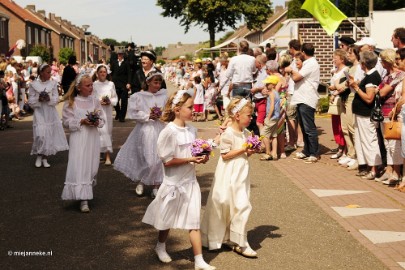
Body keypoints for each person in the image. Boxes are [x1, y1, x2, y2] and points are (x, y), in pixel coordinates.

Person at [142, 90, 215, 270]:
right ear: (177, 109)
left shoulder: (192, 130)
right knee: (166, 220)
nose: (193, 110)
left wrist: (202, 156)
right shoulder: (169, 132)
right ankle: (160, 245)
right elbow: (167, 162)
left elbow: (194, 152)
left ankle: (199, 260)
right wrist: (190, 159)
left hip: (190, 182)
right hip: (173, 183)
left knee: (194, 222)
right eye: (189, 107)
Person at [201, 97, 258, 258]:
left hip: (241, 173)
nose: (251, 118)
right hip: (228, 172)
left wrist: (250, 151)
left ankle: (241, 241)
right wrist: (243, 149)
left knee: (242, 204)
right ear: (238, 115)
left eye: (252, 115)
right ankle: (218, 237)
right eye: (249, 115)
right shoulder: (228, 133)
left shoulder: (246, 133)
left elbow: (244, 153)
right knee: (224, 203)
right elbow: (225, 155)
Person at [114, 71, 168, 198]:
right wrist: (147, 116)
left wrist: (162, 115)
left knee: (158, 157)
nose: (158, 85)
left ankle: (155, 184)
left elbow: (168, 111)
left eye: (160, 82)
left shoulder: (163, 96)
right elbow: (133, 113)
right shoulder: (139, 96)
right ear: (148, 82)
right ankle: (142, 180)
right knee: (144, 156)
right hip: (145, 129)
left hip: (160, 128)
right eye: (155, 82)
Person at [61, 74, 104, 213]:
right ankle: (83, 199)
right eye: (88, 85)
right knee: (79, 164)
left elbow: (102, 119)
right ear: (79, 88)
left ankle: (86, 192)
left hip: (92, 137)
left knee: (91, 165)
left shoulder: (95, 101)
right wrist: (81, 121)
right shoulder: (71, 102)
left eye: (92, 84)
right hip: (79, 137)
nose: (91, 87)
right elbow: (66, 122)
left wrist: (98, 122)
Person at [348, 51, 382, 180]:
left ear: (363, 63)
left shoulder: (372, 76)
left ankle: (374, 168)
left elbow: (369, 98)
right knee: (361, 140)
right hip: (360, 113)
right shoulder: (367, 75)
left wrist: (356, 87)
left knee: (369, 140)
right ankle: (366, 166)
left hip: (366, 114)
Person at [284, 43, 320, 163]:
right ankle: (307, 150)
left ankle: (314, 152)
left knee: (309, 127)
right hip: (301, 97)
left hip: (307, 98)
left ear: (304, 53)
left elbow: (296, 77)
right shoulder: (307, 63)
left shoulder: (311, 63)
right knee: (304, 127)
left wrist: (291, 70)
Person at [28, 64, 69, 168]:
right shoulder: (34, 84)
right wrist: (38, 100)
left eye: (50, 72)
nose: (49, 74)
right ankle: (39, 155)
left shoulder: (53, 84)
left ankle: (45, 157)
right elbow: (30, 101)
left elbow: (56, 98)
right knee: (40, 134)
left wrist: (49, 99)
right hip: (40, 111)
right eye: (47, 72)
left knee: (48, 134)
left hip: (50, 112)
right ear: (41, 72)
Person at [375, 49, 405, 185]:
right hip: (384, 111)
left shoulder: (399, 75)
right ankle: (390, 170)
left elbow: (381, 92)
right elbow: (378, 90)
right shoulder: (387, 76)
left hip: (393, 112)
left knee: (394, 144)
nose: (381, 63)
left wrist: (381, 90)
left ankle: (396, 172)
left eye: (382, 60)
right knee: (388, 144)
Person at [93, 65, 118, 165]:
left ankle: (107, 155)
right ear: (97, 73)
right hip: (98, 110)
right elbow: (91, 98)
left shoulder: (111, 84)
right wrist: (99, 101)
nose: (103, 74)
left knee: (107, 131)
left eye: (104, 72)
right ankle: (98, 153)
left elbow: (115, 98)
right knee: (98, 132)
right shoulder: (94, 84)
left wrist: (109, 101)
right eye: (101, 72)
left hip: (107, 111)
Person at [328, 49, 349, 162]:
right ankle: (339, 146)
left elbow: (344, 85)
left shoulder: (346, 70)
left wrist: (335, 90)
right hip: (334, 99)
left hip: (340, 98)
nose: (333, 60)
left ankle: (343, 148)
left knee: (342, 125)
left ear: (342, 59)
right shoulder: (335, 70)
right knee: (335, 124)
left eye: (335, 58)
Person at [260, 75, 281, 161]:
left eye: (268, 84)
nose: (266, 85)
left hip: (271, 117)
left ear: (273, 85)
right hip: (276, 117)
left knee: (263, 133)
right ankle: (274, 153)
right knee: (274, 135)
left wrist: (267, 118)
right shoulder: (276, 93)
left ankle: (268, 153)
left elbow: (272, 106)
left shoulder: (272, 94)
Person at [110, 49, 131, 122]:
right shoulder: (114, 62)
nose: (120, 55)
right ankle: (118, 113)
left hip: (124, 85)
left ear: (123, 55)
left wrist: (129, 83)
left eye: (121, 54)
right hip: (115, 84)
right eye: (118, 54)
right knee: (115, 101)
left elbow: (129, 74)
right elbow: (111, 73)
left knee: (124, 102)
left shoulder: (126, 63)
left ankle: (122, 117)